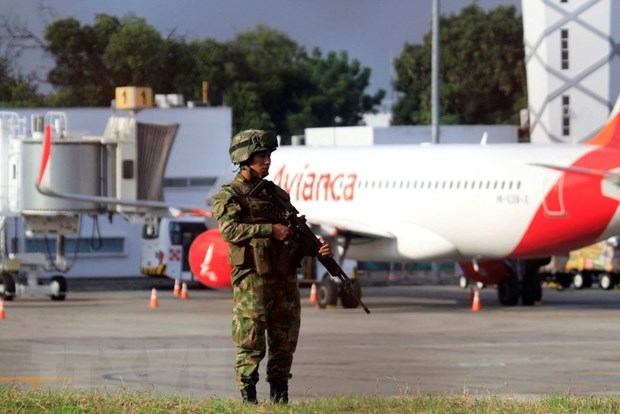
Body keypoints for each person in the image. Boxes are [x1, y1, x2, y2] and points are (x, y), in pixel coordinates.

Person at [212, 129, 332, 404]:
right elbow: (229, 230)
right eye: (260, 156)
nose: (266, 161)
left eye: (268, 156)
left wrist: (317, 249)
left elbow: (295, 233)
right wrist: (269, 229)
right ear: (244, 158)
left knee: (284, 341)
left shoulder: (277, 195)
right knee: (251, 341)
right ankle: (249, 400)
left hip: (284, 278)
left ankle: (280, 399)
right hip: (252, 280)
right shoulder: (231, 195)